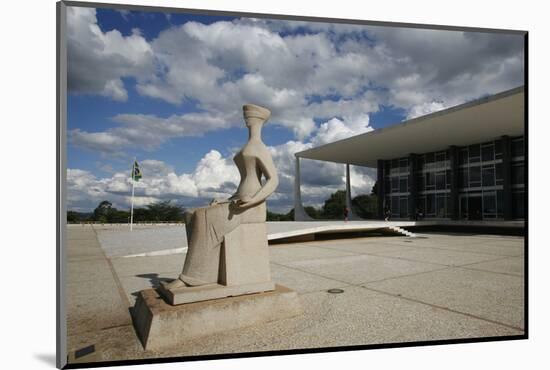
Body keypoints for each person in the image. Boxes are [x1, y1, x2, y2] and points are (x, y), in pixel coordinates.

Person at [165, 104, 279, 289]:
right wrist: (225, 200)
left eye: (250, 116)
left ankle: (191, 277)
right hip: (238, 199)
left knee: (204, 218)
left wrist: (254, 200)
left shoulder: (260, 147)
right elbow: (243, 184)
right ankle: (206, 272)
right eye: (245, 116)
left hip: (251, 206)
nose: (246, 119)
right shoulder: (249, 146)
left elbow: (273, 180)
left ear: (259, 120)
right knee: (190, 213)